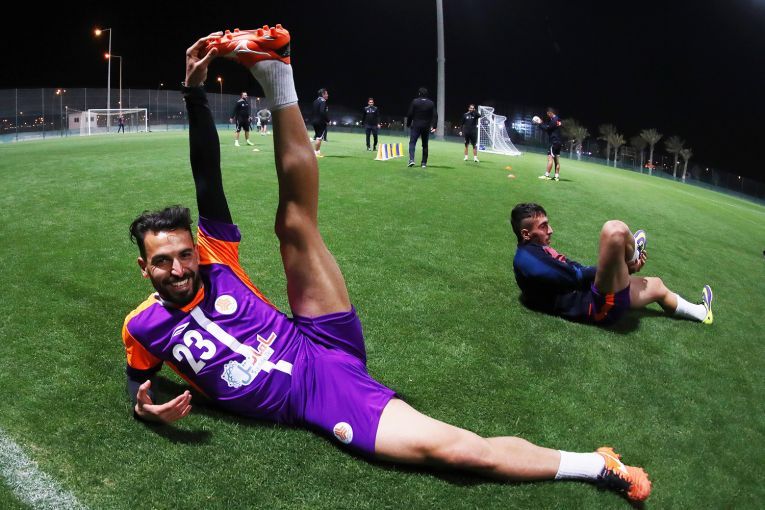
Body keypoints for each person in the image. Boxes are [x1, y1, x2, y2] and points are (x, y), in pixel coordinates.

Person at [121, 28, 652, 503]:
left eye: (185, 254)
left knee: (295, 225)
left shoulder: (214, 261)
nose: (180, 268)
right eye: (163, 261)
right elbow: (137, 380)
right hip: (317, 393)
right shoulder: (142, 326)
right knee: (458, 451)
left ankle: (278, 76)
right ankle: (595, 463)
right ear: (145, 269)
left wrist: (194, 92)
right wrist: (144, 407)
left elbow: (206, 176)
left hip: (315, 334)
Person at [511, 202, 713, 326]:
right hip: (597, 306)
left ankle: (702, 313)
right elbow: (576, 276)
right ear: (526, 234)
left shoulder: (536, 250)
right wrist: (623, 267)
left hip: (594, 293)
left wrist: (619, 271)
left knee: (658, 286)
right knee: (614, 230)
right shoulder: (527, 260)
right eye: (543, 226)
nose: (551, 230)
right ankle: (632, 254)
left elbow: (571, 271)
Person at [406, 87, 437, 168]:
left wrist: (408, 124)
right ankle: (423, 163)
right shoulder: (431, 103)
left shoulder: (415, 101)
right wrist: (434, 126)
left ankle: (411, 160)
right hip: (426, 126)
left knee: (412, 143)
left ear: (419, 93)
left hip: (416, 126)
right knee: (425, 145)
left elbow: (410, 114)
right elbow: (435, 115)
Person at [532, 107, 562, 181]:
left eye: (548, 114)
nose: (548, 115)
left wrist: (540, 123)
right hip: (558, 142)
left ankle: (546, 175)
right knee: (557, 160)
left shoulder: (554, 120)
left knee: (550, 158)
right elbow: (550, 128)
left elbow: (547, 128)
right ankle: (556, 177)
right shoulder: (558, 119)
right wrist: (542, 124)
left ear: (550, 113)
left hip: (554, 142)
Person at [311, 88, 329, 157]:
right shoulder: (323, 101)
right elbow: (322, 112)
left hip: (314, 121)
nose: (327, 95)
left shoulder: (315, 101)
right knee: (319, 138)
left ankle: (317, 152)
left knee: (318, 137)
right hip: (320, 122)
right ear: (323, 94)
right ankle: (316, 153)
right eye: (326, 94)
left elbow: (313, 112)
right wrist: (328, 120)